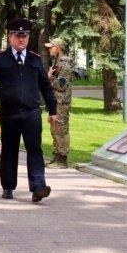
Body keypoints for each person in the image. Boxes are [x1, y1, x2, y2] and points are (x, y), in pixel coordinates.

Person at [0, 18, 58, 203]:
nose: (21, 39)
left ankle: (38, 187)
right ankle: (8, 186)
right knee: (9, 150)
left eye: (25, 36)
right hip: (9, 112)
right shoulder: (0, 59)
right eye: (18, 36)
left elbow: (45, 85)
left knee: (35, 149)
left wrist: (53, 110)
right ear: (10, 37)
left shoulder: (35, 59)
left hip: (32, 112)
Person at [46, 38, 73, 169]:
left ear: (58, 48)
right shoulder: (57, 63)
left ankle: (62, 159)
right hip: (56, 102)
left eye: (51, 47)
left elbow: (61, 85)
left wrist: (49, 76)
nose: (49, 49)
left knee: (61, 130)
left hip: (61, 103)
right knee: (55, 130)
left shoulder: (65, 65)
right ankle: (56, 156)